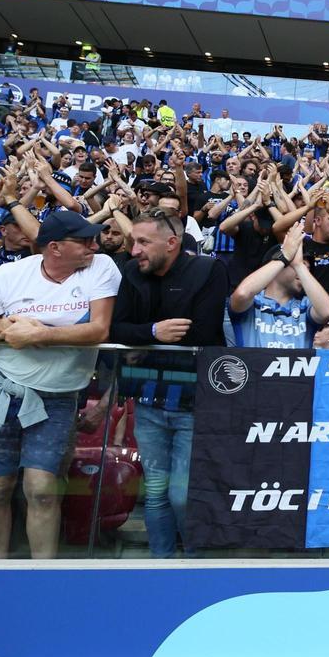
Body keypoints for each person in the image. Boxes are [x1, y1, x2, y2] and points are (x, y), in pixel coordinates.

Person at [0, 211, 120, 558]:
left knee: (43, 488)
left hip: (59, 396)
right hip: (1, 387)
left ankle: (43, 575)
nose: (95, 245)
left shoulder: (101, 267)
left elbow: (99, 330)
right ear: (55, 248)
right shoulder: (7, 276)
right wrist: (6, 328)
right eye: (85, 240)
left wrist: (40, 334)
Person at [108, 209, 228, 558]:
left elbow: (202, 333)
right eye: (133, 242)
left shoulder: (209, 269)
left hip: (194, 402)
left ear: (172, 243)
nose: (134, 251)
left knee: (181, 494)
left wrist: (141, 344)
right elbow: (116, 330)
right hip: (147, 400)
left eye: (143, 242)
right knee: (157, 492)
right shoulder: (131, 272)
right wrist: (153, 332)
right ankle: (160, 563)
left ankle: (193, 562)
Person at [228, 223, 329, 349]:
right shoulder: (253, 302)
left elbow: (327, 312)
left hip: (295, 369)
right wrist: (285, 256)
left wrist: (299, 266)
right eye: (293, 264)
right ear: (276, 268)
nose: (304, 273)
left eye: (308, 268)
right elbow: (242, 294)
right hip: (256, 368)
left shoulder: (305, 306)